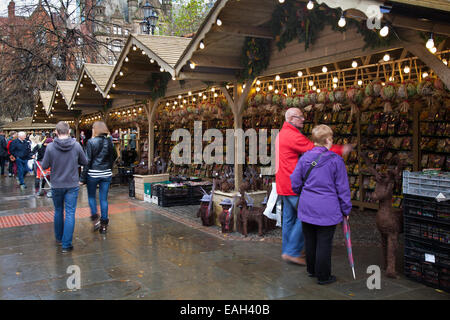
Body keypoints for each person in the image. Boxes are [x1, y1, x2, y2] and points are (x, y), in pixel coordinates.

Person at [275, 108, 352, 265]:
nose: (303, 119)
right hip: (292, 184)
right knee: (303, 218)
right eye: (300, 117)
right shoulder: (292, 135)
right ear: (290, 118)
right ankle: (292, 251)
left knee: (289, 219)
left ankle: (288, 250)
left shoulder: (282, 133)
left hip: (283, 182)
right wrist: (341, 149)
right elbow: (315, 149)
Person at [290, 125, 352, 285]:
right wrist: (346, 209)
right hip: (328, 209)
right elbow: (342, 188)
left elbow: (295, 182)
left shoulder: (304, 158)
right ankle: (323, 276)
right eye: (331, 138)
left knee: (310, 240)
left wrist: (303, 193)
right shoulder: (335, 160)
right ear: (327, 140)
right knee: (324, 242)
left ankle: (311, 270)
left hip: (307, 206)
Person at [41, 122, 88, 253]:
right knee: (70, 213)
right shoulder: (76, 145)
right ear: (69, 132)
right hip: (72, 184)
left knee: (58, 211)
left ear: (56, 132)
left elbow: (44, 165)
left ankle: (59, 238)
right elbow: (84, 161)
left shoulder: (50, 147)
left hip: (56, 184)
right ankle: (66, 245)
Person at [80, 121, 117, 234]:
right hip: (106, 174)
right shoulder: (110, 142)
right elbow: (115, 156)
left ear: (95, 130)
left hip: (93, 174)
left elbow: (88, 161)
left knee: (91, 197)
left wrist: (82, 178)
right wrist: (109, 167)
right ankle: (104, 225)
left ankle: (95, 219)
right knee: (103, 199)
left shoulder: (91, 142)